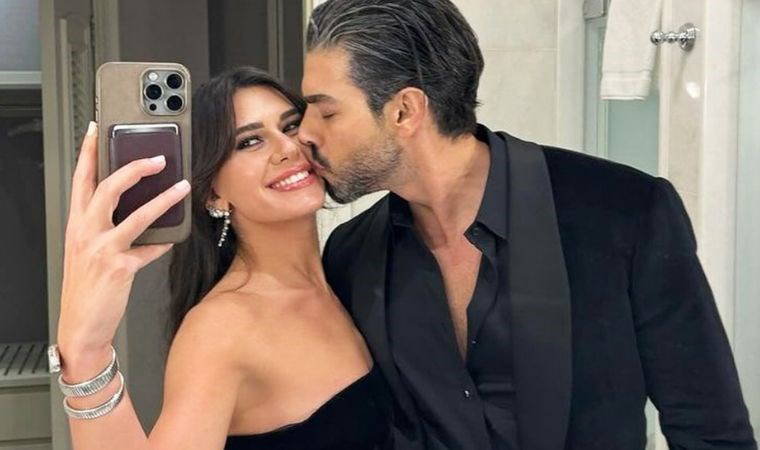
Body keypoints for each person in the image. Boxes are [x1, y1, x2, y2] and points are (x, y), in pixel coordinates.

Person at [297, 1, 757, 449]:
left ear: (405, 110)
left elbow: (710, 431)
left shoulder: (625, 212)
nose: (305, 133)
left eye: (327, 111)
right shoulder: (350, 253)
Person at [54, 67, 391, 450]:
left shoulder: (351, 267)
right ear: (214, 194)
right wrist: (86, 353)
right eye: (250, 142)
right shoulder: (221, 331)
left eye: (291, 125)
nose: (288, 147)